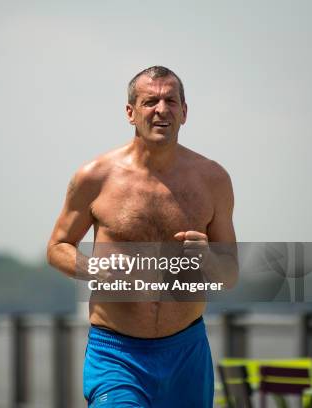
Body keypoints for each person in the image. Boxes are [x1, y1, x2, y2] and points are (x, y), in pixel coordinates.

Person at [46, 66, 238, 407]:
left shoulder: (213, 180)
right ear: (130, 112)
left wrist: (208, 258)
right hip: (118, 353)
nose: (161, 109)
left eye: (170, 101)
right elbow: (57, 247)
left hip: (186, 351)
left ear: (184, 112)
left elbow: (229, 274)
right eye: (150, 101)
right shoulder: (95, 177)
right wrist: (94, 270)